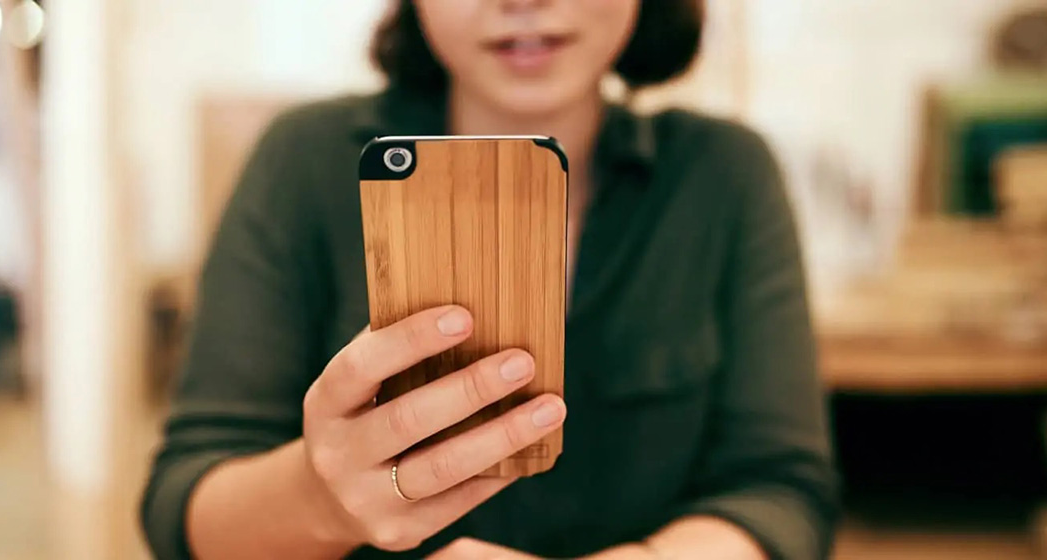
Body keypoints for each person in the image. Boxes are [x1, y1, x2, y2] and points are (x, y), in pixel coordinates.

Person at [141, 0, 838, 558]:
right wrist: (318, 498)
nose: (524, 3)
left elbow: (783, 494)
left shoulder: (723, 174)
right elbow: (185, 512)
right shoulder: (303, 162)